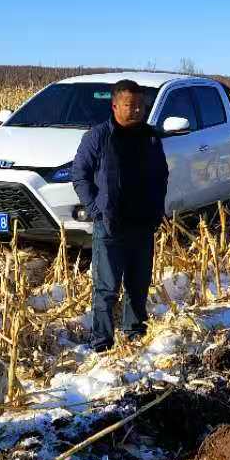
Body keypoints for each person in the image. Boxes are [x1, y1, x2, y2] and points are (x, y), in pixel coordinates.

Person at [71, 79, 170, 351]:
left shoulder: (150, 137)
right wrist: (95, 209)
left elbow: (161, 175)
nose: (137, 110)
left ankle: (134, 333)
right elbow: (79, 174)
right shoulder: (99, 137)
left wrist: (157, 208)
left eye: (141, 105)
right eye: (130, 105)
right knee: (107, 288)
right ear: (115, 106)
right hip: (111, 224)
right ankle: (102, 341)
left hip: (142, 224)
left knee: (138, 285)